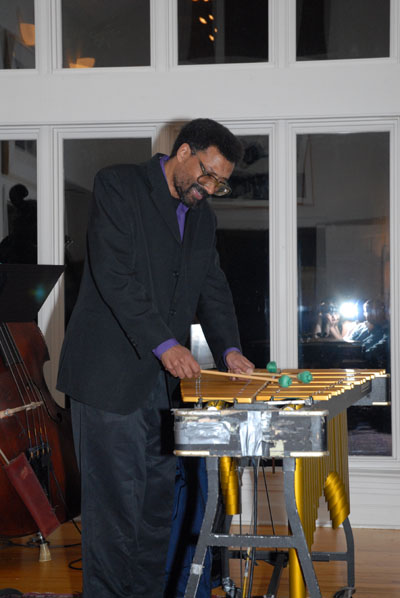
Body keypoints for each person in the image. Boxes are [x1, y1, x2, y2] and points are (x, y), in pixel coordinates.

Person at [56, 118, 254, 598]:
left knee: (155, 515)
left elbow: (212, 287)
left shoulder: (203, 218)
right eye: (207, 174)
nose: (211, 188)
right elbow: (114, 274)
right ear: (183, 152)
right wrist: (166, 344)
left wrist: (229, 349)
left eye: (220, 183)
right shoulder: (118, 185)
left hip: (161, 391)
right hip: (107, 382)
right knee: (114, 519)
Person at [344, 298, 389, 367]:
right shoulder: (360, 326)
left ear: (381, 311)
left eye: (374, 310)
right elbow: (346, 343)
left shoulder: (386, 330)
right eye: (366, 311)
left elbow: (372, 352)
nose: (371, 314)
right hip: (352, 360)